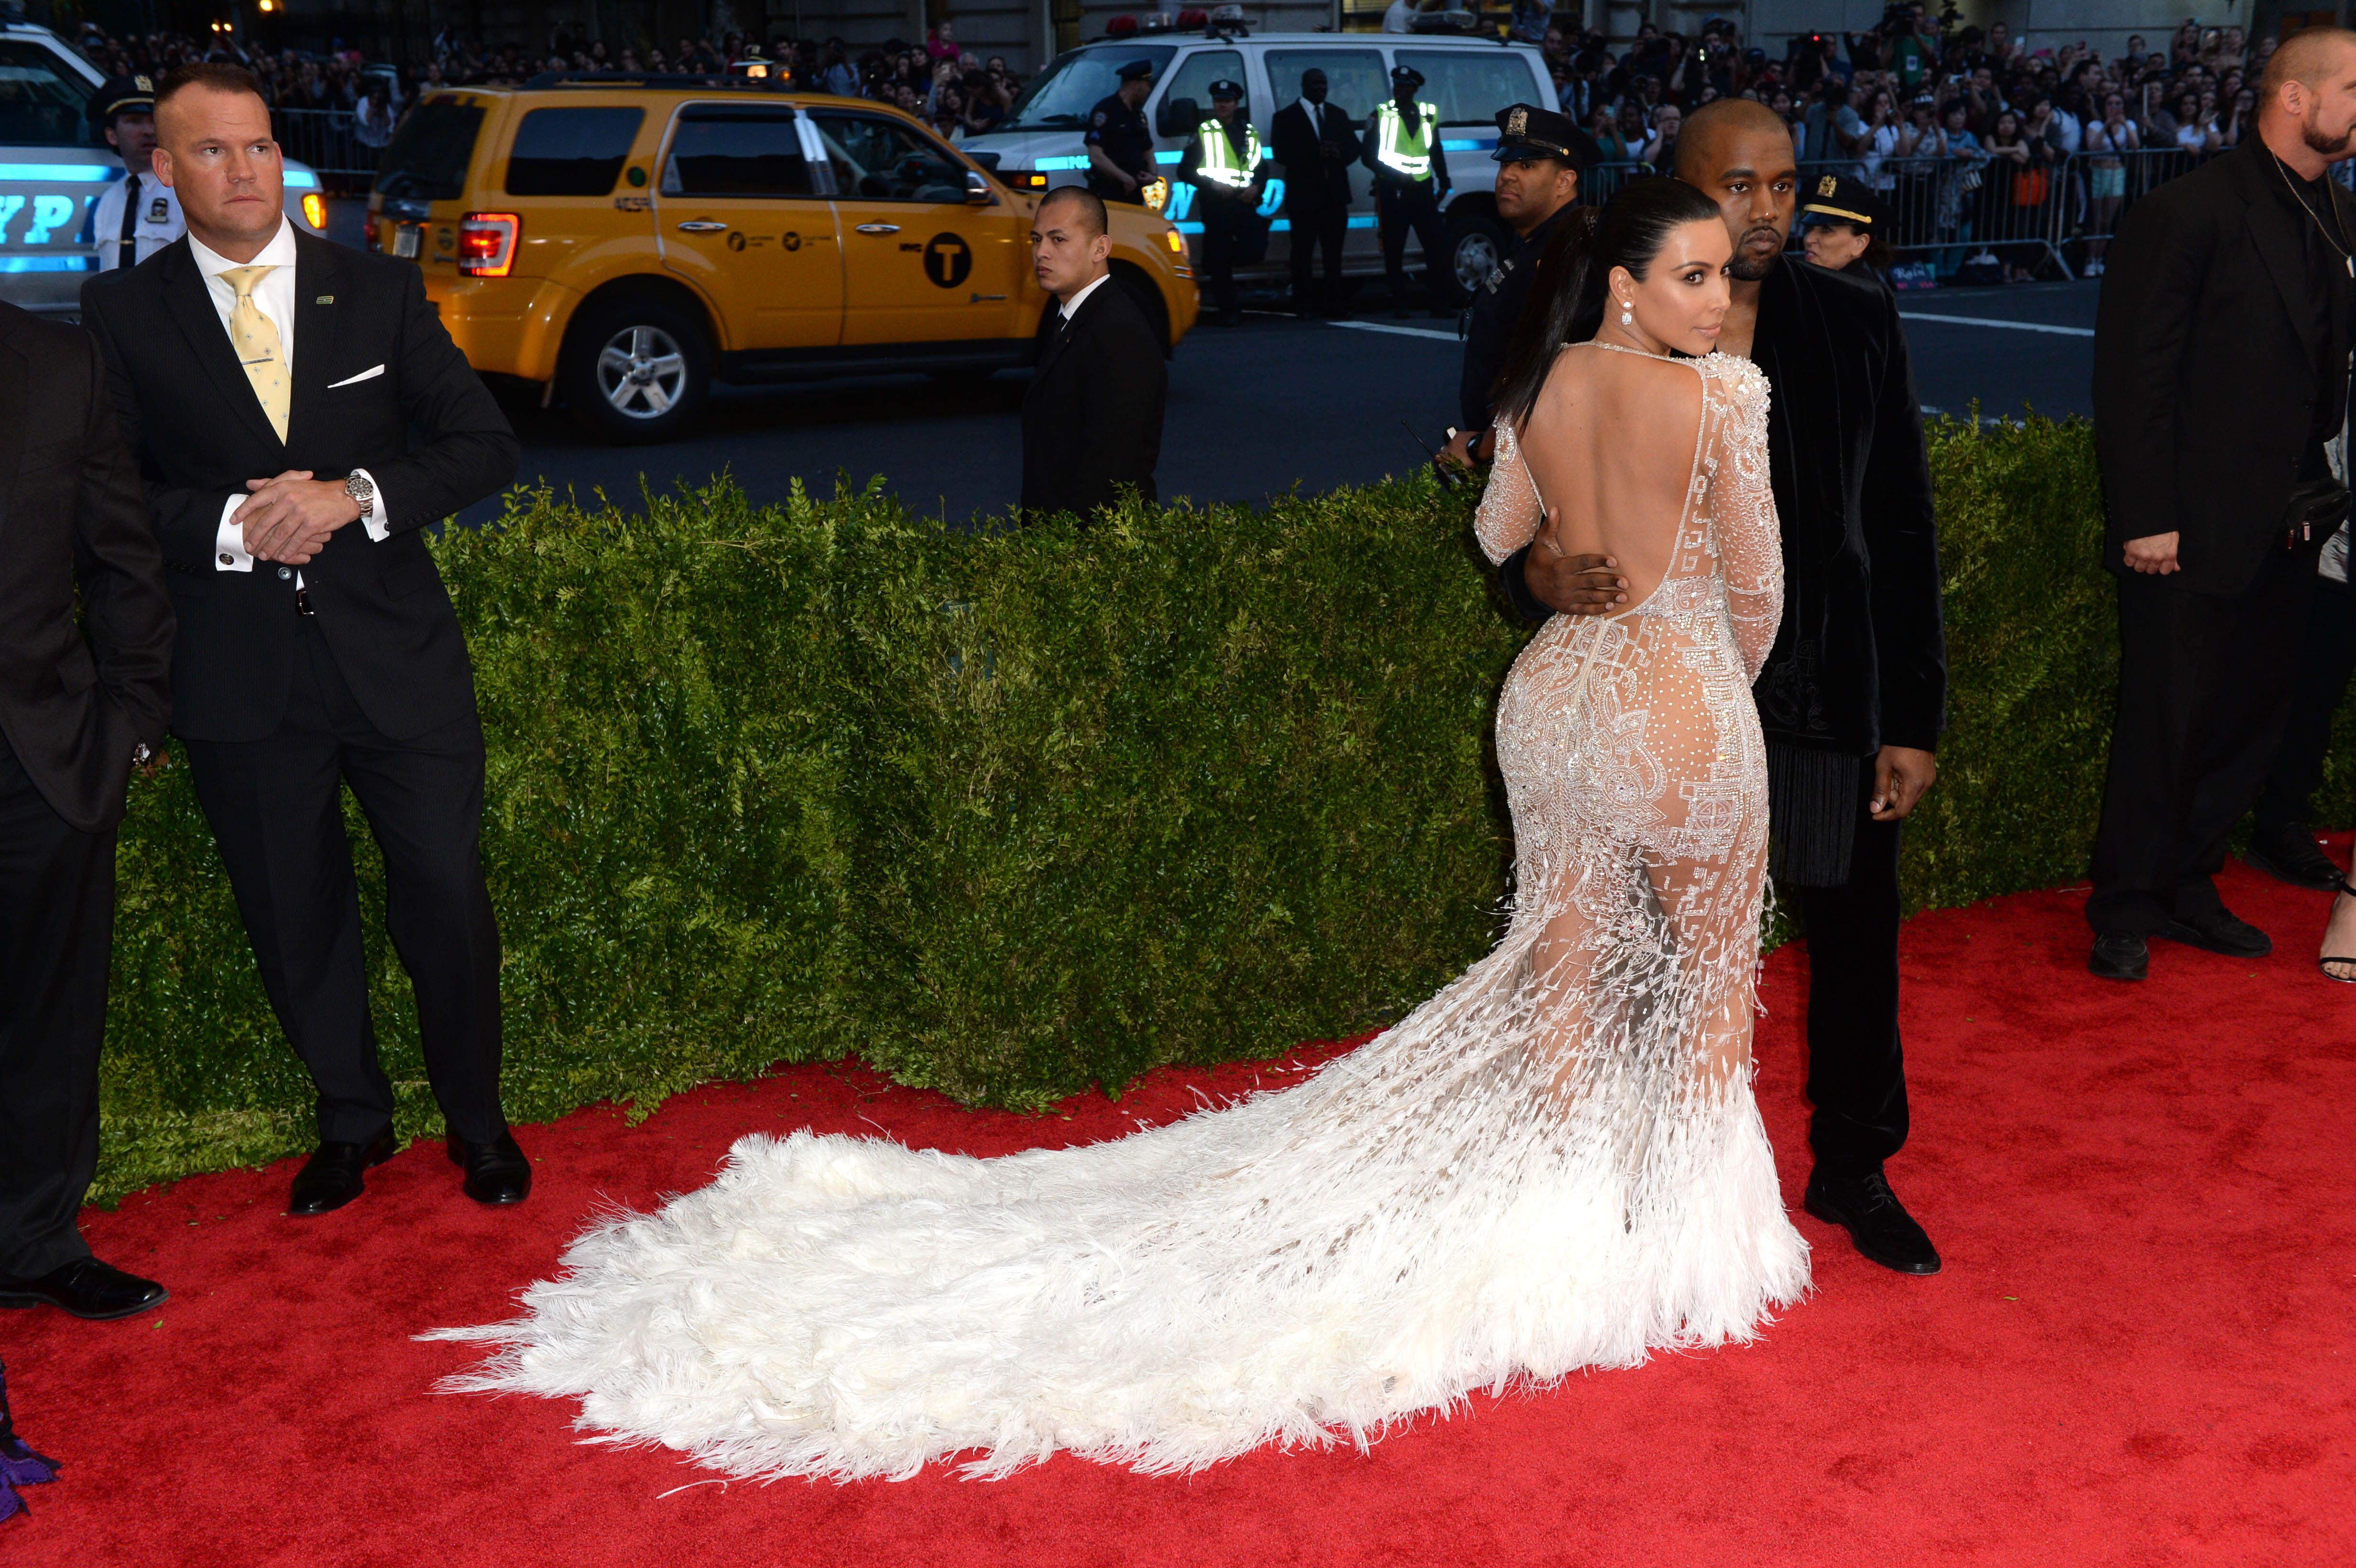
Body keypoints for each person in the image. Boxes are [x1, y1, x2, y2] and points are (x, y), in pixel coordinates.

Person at [434, 178, 1810, 1483]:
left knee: (1562, 966)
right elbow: (1759, 593)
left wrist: (1574, 581)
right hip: (1679, 701)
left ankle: (1562, 1223)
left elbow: (1510, 538)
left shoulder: (1543, 384)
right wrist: (1701, 684)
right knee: (1701, 983)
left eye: (1719, 278)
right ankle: (1686, 1249)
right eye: (1692, 276)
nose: (1715, 299)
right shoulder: (1728, 397)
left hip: (1554, 706)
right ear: (1627, 286)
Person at [1503, 98, 1945, 1277]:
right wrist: (1544, 573)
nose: (1765, 212)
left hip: (1823, 704)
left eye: (1784, 187)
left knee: (1854, 943)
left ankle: (1856, 1167)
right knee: (1646, 948)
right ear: (1679, 189)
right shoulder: (1601, 317)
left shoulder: (1854, 318)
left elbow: (1901, 526)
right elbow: (1526, 518)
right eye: (1738, 188)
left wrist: (1912, 718)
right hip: (1661, 709)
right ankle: (1639, 1167)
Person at [78, 63, 527, 1217]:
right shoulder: (121, 313)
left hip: (398, 663)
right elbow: (111, 496)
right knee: (293, 912)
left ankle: (478, 1122)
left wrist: (352, 493)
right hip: (237, 673)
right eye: (214, 151)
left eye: (261, 146)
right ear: (163, 169)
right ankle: (353, 1119)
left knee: (443, 890)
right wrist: (235, 521)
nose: (244, 169)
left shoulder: (374, 288)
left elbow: (481, 444)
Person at [2086, 30, 2356, 984]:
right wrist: (2144, 516)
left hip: (2288, 522)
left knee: (2245, 720)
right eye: (2354, 87)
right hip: (2188, 525)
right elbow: (2133, 375)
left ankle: (2188, 884)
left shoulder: (2335, 211)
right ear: (2293, 96)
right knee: (2164, 720)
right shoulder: (2188, 210)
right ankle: (2122, 901)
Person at [0, 300, 175, 1323]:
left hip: (41, 761)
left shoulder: (61, 362)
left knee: (51, 1021)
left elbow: (122, 556)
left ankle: (32, 1239)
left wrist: (132, 726)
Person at [1445, 102, 1592, 461]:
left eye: (1527, 166)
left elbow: (1554, 378)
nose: (1507, 175)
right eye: (1506, 163)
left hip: (1533, 458)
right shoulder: (1532, 240)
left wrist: (1480, 448)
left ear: (1565, 181)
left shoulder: (1569, 253)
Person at [1018, 187, 1166, 520]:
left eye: (1058, 240)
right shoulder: (1073, 318)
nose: (1041, 252)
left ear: (1100, 248)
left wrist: (1071, 560)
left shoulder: (1118, 333)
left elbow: (1110, 472)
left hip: (1095, 552)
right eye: (1036, 239)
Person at [1363, 65, 1453, 318]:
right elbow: (1367, 156)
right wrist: (1396, 176)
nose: (1399, 90)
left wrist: (1444, 181)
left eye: (1404, 86)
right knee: (1394, 249)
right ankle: (1400, 304)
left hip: (1423, 189)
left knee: (1436, 246)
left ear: (1414, 89)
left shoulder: (1427, 114)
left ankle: (1440, 303)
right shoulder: (1381, 114)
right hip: (1393, 190)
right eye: (1397, 86)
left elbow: (1436, 150)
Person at [1178, 79, 1268, 327]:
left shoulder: (1248, 132)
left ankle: (1215, 263)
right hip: (1216, 204)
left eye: (1228, 101)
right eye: (1219, 101)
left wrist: (1256, 188)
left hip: (1244, 203)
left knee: (1254, 250)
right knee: (1220, 260)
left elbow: (1261, 168)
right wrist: (1211, 185)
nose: (1223, 106)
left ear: (1236, 104)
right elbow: (1185, 170)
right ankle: (1229, 309)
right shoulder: (1204, 132)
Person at [1270, 67, 1359, 318]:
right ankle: (1304, 302)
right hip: (1304, 197)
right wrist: (1315, 154)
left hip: (1335, 196)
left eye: (1324, 84)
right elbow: (1281, 153)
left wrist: (1338, 154)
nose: (1322, 89)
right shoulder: (1286, 117)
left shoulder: (1338, 115)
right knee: (1302, 252)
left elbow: (1355, 148)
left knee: (1334, 254)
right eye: (1316, 85)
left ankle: (1335, 302)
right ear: (1304, 86)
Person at [86, 74, 183, 272]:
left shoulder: (186, 193)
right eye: (135, 121)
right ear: (112, 136)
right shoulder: (109, 200)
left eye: (154, 120)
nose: (149, 131)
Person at [1084, 59, 1158, 206]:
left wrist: (1153, 176)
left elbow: (1148, 151)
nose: (1149, 90)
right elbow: (1096, 156)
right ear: (1136, 85)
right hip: (1109, 192)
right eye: (1147, 85)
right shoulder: (1106, 111)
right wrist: (1124, 178)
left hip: (1134, 193)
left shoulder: (1138, 115)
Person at [1797, 173, 1894, 284]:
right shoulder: (1810, 282)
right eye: (1809, 229)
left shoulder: (1860, 295)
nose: (1809, 239)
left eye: (1827, 230)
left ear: (1860, 243)